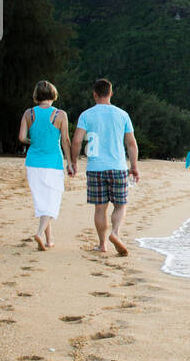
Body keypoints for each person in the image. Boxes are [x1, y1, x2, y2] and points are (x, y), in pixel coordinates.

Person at [70, 78, 138, 256]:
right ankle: (115, 233)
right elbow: (131, 143)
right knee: (120, 205)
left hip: (95, 168)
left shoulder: (86, 115)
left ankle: (102, 244)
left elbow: (77, 141)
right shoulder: (122, 114)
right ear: (111, 93)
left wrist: (73, 161)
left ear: (94, 94)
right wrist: (134, 166)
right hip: (118, 166)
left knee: (100, 207)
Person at [19, 80, 73, 250]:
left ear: (37, 95)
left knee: (43, 201)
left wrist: (31, 141)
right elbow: (65, 140)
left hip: (33, 162)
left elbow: (21, 137)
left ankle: (49, 240)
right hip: (53, 163)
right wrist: (70, 162)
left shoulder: (29, 113)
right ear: (53, 94)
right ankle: (40, 233)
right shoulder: (60, 114)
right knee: (52, 201)